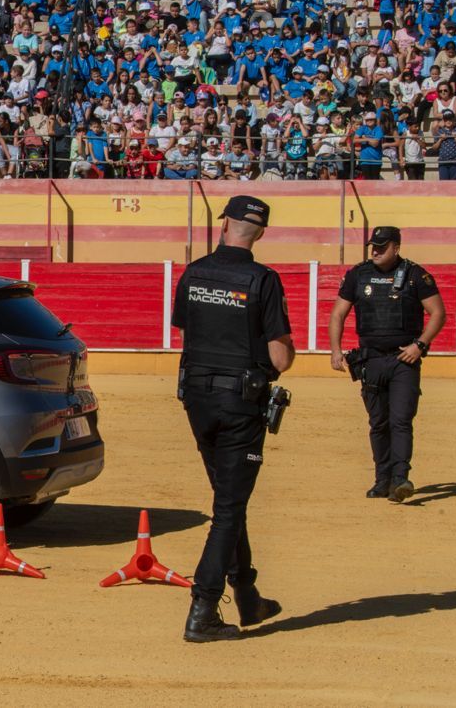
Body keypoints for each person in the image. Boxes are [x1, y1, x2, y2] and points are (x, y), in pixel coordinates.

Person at [171, 196, 294, 642]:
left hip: (198, 399)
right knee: (228, 508)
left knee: (228, 498)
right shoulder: (262, 279)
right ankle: (203, 609)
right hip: (241, 402)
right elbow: (280, 357)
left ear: (224, 223)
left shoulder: (196, 271)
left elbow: (185, 330)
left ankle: (247, 595)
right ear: (260, 232)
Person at [329, 227, 446, 502]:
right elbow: (338, 314)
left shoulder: (416, 275)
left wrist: (420, 345)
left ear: (396, 247)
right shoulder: (358, 274)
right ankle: (382, 479)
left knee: (401, 420)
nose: (376, 251)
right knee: (378, 422)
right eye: (373, 246)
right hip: (370, 359)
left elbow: (438, 312)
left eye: (382, 246)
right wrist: (335, 350)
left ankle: (400, 478)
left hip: (402, 359)